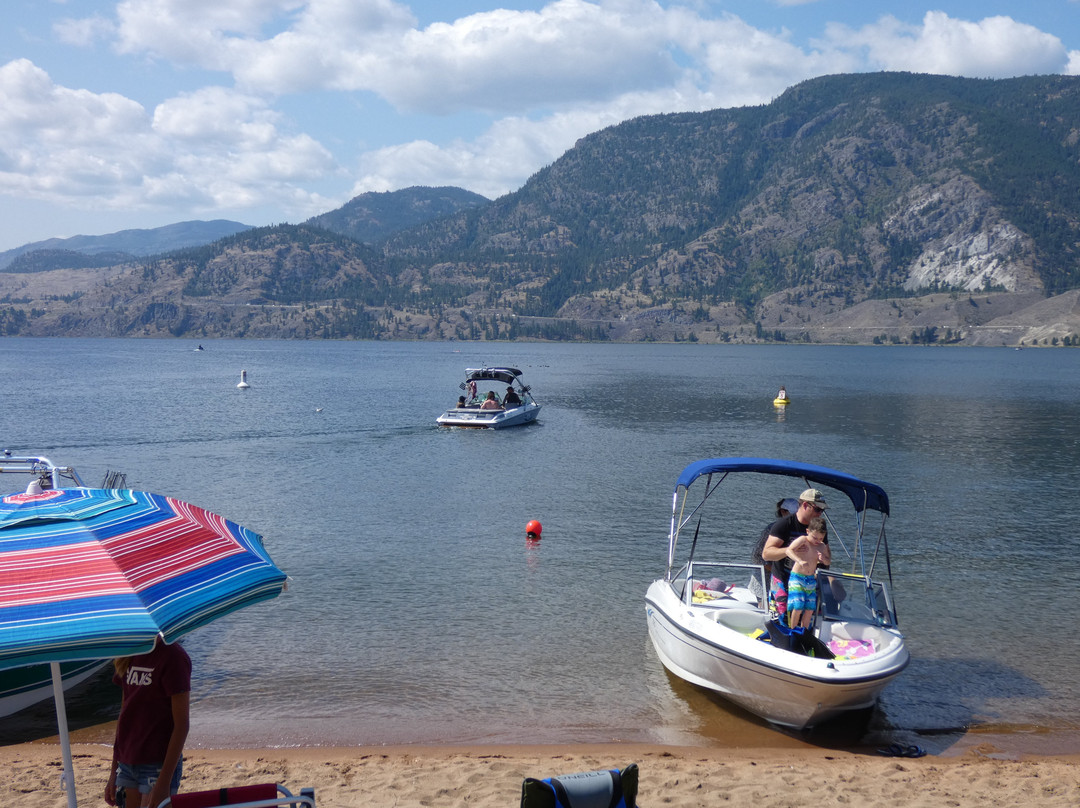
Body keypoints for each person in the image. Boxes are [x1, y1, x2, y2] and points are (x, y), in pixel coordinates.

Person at [105, 635, 191, 808]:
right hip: (127, 762)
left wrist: (164, 782)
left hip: (158, 763)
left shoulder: (173, 656)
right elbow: (125, 716)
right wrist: (114, 769)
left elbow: (181, 725)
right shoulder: (129, 653)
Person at [760, 488, 829, 626]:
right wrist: (791, 550)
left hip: (807, 581)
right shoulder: (784, 524)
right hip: (782, 580)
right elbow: (766, 554)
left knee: (806, 622)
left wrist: (822, 558)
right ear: (805, 505)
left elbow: (826, 557)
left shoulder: (818, 529)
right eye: (817, 509)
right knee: (783, 623)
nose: (820, 513)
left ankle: (802, 642)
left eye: (822, 510)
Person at [785, 516, 830, 629]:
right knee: (798, 606)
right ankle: (793, 629)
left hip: (810, 579)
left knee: (810, 608)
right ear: (808, 531)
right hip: (797, 577)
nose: (817, 541)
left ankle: (803, 630)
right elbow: (788, 550)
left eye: (820, 538)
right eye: (815, 537)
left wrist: (823, 559)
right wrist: (799, 560)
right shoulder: (803, 540)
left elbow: (828, 561)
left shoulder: (821, 546)